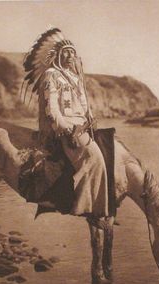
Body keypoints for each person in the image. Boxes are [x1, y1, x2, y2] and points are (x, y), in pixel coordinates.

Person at [22, 28, 108, 218]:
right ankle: (86, 207)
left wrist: (90, 116)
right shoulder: (51, 75)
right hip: (65, 128)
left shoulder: (75, 77)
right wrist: (66, 129)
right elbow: (51, 109)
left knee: (108, 149)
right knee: (95, 159)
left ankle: (99, 203)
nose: (70, 56)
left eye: (72, 52)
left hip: (82, 126)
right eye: (66, 52)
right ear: (59, 55)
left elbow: (83, 103)